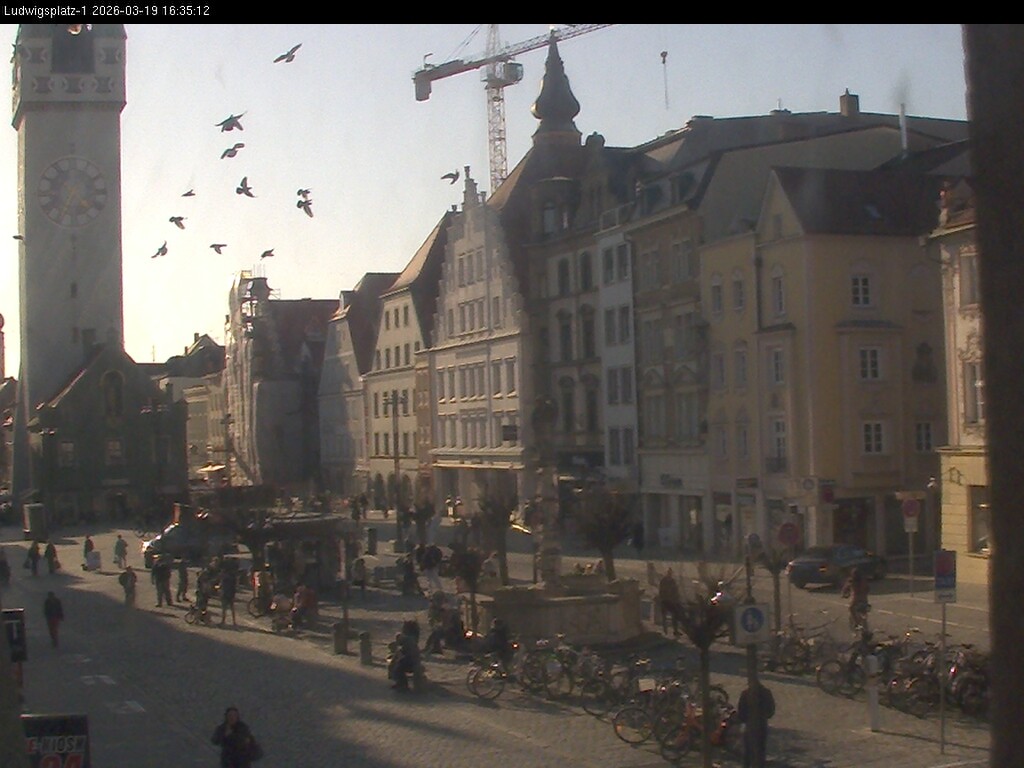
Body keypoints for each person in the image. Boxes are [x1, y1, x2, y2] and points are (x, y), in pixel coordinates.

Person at [737, 680, 776, 768]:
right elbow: (771, 710)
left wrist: (745, 719)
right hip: (762, 724)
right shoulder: (767, 693)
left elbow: (741, 712)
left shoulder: (745, 693)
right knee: (761, 750)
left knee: (748, 750)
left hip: (749, 725)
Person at [841, 567, 870, 631]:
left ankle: (857, 622)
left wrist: (844, 594)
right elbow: (868, 589)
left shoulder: (851, 581)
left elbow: (845, 589)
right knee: (864, 613)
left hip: (855, 600)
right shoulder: (864, 580)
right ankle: (866, 629)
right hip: (864, 599)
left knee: (851, 608)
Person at [658, 567, 682, 637]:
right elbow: (661, 591)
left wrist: (676, 598)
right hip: (664, 600)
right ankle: (665, 630)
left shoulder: (672, 581)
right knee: (664, 616)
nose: (670, 574)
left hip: (671, 601)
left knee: (675, 615)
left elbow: (675, 591)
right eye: (669, 573)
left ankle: (675, 631)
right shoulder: (663, 581)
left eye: (671, 573)